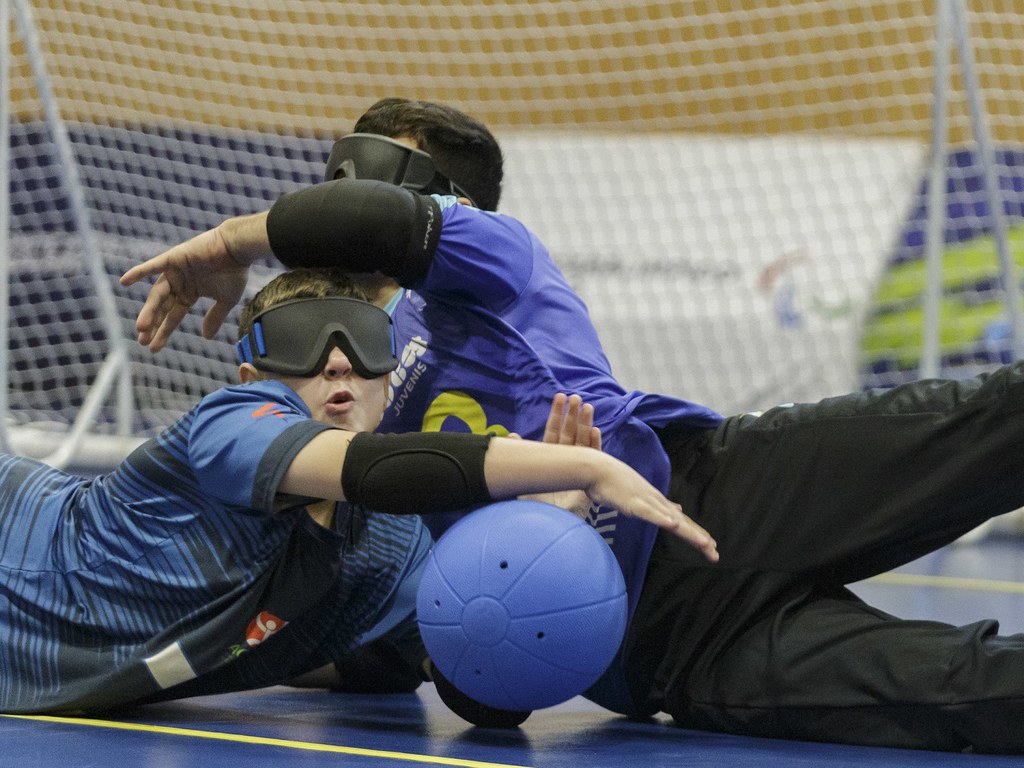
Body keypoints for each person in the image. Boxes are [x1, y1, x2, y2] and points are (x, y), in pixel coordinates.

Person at [118, 99, 1024, 753]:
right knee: (967, 695)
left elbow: (365, 221)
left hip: (726, 483)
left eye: (367, 177)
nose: (338, 194)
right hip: (654, 652)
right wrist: (535, 546)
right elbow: (484, 697)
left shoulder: (496, 262)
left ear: (443, 206)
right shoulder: (336, 384)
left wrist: (229, 241)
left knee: (997, 422)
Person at [0, 266, 704, 715]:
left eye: (366, 344)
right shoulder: (228, 425)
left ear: (386, 377)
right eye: (304, 343)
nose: (338, 359)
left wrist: (551, 529)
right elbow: (369, 466)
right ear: (253, 380)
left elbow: (484, 687)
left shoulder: (392, 549)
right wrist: (582, 467)